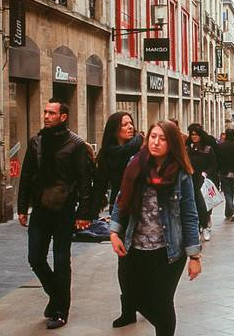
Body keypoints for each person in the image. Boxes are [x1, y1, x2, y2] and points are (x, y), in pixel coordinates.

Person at [109, 120, 202, 336]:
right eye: (153, 137)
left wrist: (194, 257)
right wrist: (114, 233)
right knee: (132, 296)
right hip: (135, 247)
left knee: (162, 303)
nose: (156, 142)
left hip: (168, 252)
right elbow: (121, 199)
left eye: (163, 139)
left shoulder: (180, 173)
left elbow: (189, 215)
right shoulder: (135, 164)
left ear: (172, 144)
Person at [17, 98, 93, 329]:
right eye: (45, 112)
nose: (46, 116)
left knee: (61, 260)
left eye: (51, 113)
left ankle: (61, 310)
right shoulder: (36, 142)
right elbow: (27, 175)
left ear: (63, 117)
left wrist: (83, 213)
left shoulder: (76, 144)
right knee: (35, 258)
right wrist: (22, 208)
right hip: (40, 208)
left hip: (64, 210)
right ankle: (56, 296)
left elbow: (84, 182)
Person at [92, 112, 143, 328]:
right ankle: (128, 309)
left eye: (131, 122)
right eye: (124, 124)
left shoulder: (142, 148)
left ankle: (149, 302)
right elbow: (100, 184)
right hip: (120, 208)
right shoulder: (106, 154)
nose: (130, 127)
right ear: (115, 129)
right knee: (124, 261)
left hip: (143, 209)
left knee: (143, 260)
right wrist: (87, 213)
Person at [186, 125, 217, 242]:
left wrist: (206, 173)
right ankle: (198, 227)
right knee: (193, 205)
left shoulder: (208, 149)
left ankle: (204, 226)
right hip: (190, 179)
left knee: (202, 204)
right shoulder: (188, 149)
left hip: (202, 180)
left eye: (196, 135)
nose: (194, 137)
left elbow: (213, 165)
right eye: (192, 135)